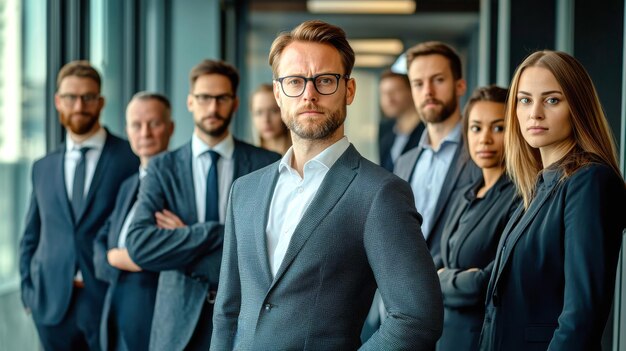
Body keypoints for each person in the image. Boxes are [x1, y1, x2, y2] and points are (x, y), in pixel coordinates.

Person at [211, 20, 443, 351]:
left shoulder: (379, 193)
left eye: (325, 80)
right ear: (278, 92)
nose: (309, 94)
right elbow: (227, 311)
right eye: (295, 81)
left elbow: (416, 317)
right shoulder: (245, 191)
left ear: (348, 90)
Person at [113, 59, 280, 351]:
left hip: (245, 319)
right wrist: (215, 234)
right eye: (204, 98)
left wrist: (182, 237)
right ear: (190, 101)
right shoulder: (162, 167)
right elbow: (139, 244)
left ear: (235, 103)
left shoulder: (266, 165)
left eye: (221, 98)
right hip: (177, 322)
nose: (212, 108)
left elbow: (272, 249)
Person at [479, 50, 626, 350]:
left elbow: (581, 317)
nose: (535, 113)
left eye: (552, 100)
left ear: (578, 107)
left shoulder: (589, 182)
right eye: (525, 100)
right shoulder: (539, 185)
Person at [19, 60, 139, 350]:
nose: (79, 105)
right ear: (57, 102)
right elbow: (32, 235)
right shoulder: (42, 167)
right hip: (51, 305)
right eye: (70, 97)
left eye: (88, 97)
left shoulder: (129, 158)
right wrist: (28, 292)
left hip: (107, 299)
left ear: (101, 102)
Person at [436, 85, 520, 351]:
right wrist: (450, 277)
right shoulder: (464, 194)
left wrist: (442, 278)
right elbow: (428, 270)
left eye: (498, 128)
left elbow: (486, 283)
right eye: (476, 128)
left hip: (484, 338)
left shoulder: (521, 197)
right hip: (445, 337)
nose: (484, 139)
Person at [93, 92, 175, 351]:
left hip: (156, 319)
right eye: (136, 125)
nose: (145, 133)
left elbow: (174, 250)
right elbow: (100, 245)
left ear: (170, 128)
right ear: (126, 130)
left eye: (154, 123)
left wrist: (127, 256)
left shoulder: (180, 185)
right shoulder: (128, 184)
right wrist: (117, 258)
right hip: (115, 317)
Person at [395, 41, 480, 268]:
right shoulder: (404, 163)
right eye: (418, 83)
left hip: (458, 291)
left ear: (460, 86)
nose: (428, 92)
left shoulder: (481, 155)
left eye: (438, 80)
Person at [377, 69, 424, 171]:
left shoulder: (428, 130)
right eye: (383, 93)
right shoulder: (386, 131)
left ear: (411, 92)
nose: (389, 98)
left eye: (395, 91)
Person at [250, 83, 291, 154]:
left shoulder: (299, 155)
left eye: (273, 111)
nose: (266, 120)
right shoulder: (248, 155)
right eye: (259, 113)